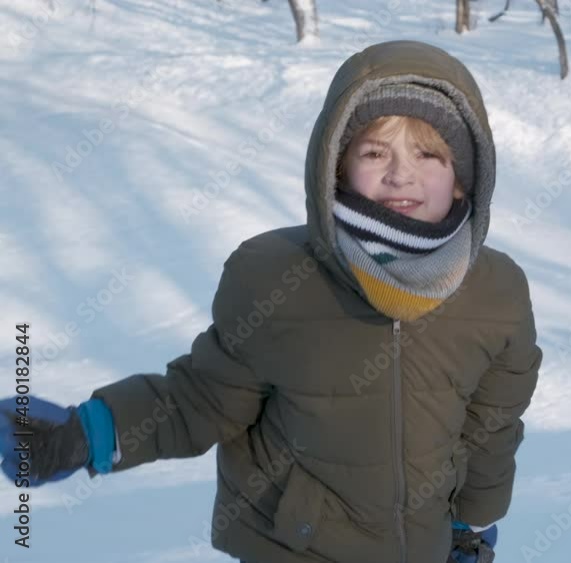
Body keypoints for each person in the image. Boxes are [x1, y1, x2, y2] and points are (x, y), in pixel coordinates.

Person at [0, 39, 543, 563]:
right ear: (335, 166)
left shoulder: (496, 293)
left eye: (428, 154)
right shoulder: (275, 277)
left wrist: (472, 524)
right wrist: (86, 434)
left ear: (462, 180)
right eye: (376, 151)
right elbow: (202, 399)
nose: (401, 174)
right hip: (293, 549)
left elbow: (491, 427)